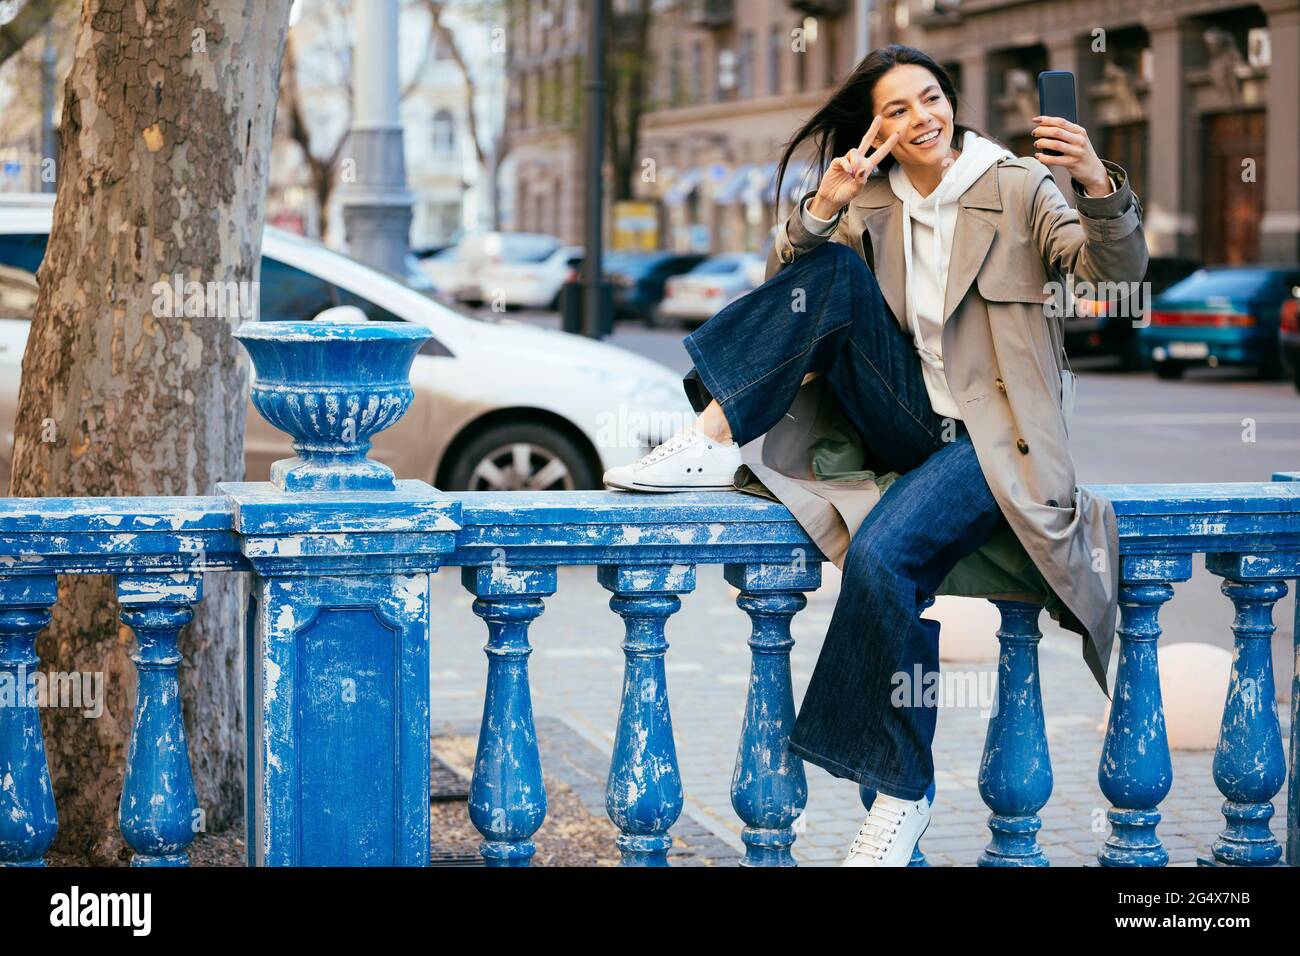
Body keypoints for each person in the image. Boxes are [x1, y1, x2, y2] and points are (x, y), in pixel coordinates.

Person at [603, 44, 1147, 866]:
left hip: (992, 439)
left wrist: (1098, 185)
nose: (920, 118)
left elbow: (1112, 277)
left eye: (930, 98)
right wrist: (821, 210)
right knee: (828, 274)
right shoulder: (874, 202)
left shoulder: (1017, 186)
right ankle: (711, 438)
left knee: (884, 554)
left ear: (950, 102)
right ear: (877, 130)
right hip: (900, 421)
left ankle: (900, 795)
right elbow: (784, 297)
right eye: (896, 110)